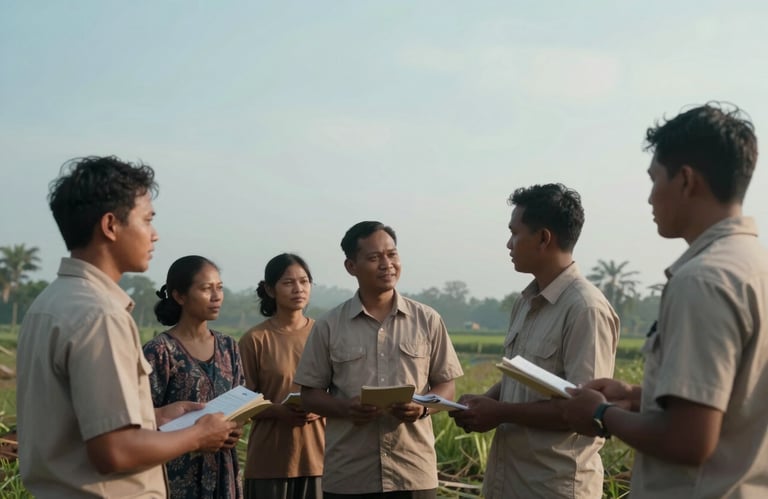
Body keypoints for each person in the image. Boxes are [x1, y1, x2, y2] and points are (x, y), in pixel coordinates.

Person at [563, 103, 768, 498]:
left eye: (655, 179)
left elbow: (689, 441)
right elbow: (736, 404)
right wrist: (642, 398)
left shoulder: (703, 280)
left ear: (687, 181)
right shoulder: (754, 266)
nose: (650, 198)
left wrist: (601, 413)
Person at [15, 156, 238, 498]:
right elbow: (114, 451)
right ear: (110, 225)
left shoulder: (49, 304)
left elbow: (76, 422)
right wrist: (198, 434)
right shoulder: (101, 314)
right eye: (147, 220)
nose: (155, 234)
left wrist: (156, 417)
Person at [449, 183, 620, 498]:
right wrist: (483, 401)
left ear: (543, 238)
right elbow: (519, 376)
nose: (508, 244)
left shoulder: (586, 308)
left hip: (553, 486)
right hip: (508, 481)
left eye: (515, 233)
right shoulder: (526, 301)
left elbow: (583, 414)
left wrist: (499, 413)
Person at [294, 221, 464, 498]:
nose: (387, 264)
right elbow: (310, 394)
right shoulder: (328, 325)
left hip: (413, 473)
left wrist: (421, 408)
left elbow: (447, 386)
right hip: (350, 475)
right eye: (374, 258)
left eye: (392, 254)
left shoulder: (427, 320)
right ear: (351, 266)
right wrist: (345, 408)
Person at [143, 255, 245, 499]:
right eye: (205, 288)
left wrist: (234, 428)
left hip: (223, 468)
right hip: (176, 471)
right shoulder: (159, 351)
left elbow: (240, 398)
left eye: (219, 288)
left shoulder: (228, 345)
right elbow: (140, 417)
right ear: (179, 296)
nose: (216, 296)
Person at [238, 253, 325, 499]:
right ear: (270, 289)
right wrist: (277, 410)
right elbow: (240, 401)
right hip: (270, 461)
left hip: (321, 459)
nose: (298, 289)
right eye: (288, 283)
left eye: (304, 281)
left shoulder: (325, 334)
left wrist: (319, 406)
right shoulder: (255, 339)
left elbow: (343, 390)